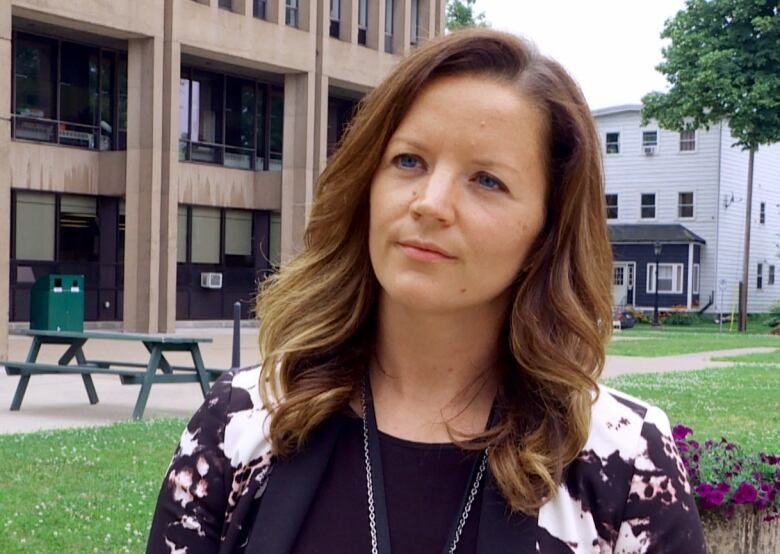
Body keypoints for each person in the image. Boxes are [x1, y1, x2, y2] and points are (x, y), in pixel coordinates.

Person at [147, 29, 706, 553]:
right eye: (408, 161)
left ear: (547, 228)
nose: (430, 203)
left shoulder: (626, 460)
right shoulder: (242, 424)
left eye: (487, 180)